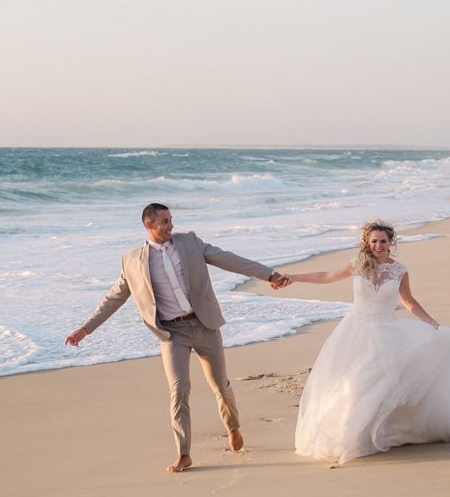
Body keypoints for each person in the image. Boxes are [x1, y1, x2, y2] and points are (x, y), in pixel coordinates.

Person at [66, 203, 288, 473]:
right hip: (172, 333)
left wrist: (269, 274)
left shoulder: (190, 243)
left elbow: (229, 259)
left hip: (204, 324)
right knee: (179, 389)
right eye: (164, 221)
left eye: (171, 220)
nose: (171, 225)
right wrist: (85, 329)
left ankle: (233, 427)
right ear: (148, 225)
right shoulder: (132, 260)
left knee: (220, 385)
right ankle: (184, 453)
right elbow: (114, 297)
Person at [286, 219, 450, 465]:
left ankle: (379, 430)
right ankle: (349, 434)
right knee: (353, 382)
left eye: (383, 241)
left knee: (380, 382)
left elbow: (408, 301)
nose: (378, 245)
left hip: (387, 332)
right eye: (373, 241)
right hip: (356, 331)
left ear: (391, 243)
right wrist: (293, 277)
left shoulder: (399, 270)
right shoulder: (357, 265)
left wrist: (431, 323)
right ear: (367, 242)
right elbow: (326, 276)